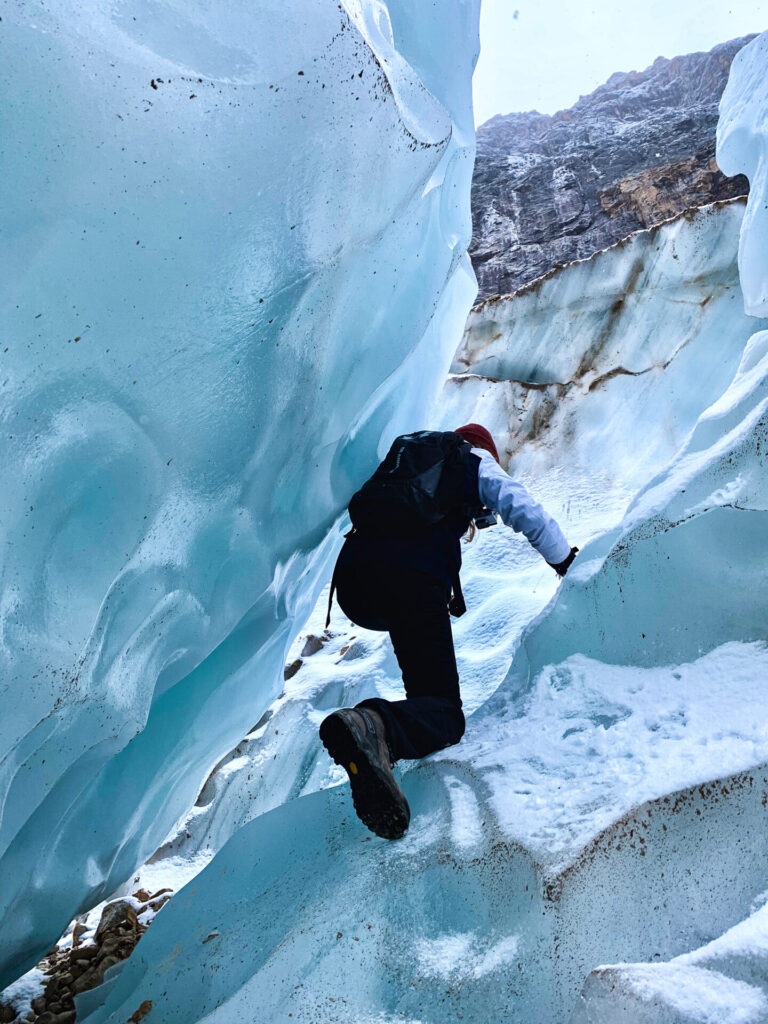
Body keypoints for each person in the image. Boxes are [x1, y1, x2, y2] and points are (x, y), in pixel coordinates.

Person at [319, 423, 577, 840]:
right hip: (411, 576)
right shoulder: (469, 457)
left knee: (426, 703)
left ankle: (376, 755)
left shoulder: (404, 461)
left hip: (357, 583)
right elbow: (520, 506)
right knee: (446, 712)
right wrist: (565, 562)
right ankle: (371, 725)